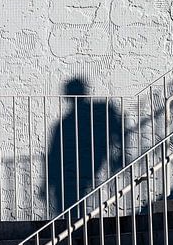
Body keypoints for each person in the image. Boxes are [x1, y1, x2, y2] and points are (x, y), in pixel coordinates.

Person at [46, 77, 124, 216]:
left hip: (81, 165)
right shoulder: (67, 122)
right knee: (72, 200)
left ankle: (75, 226)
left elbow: (117, 130)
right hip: (79, 165)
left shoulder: (97, 111)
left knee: (70, 201)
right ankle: (76, 226)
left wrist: (118, 154)